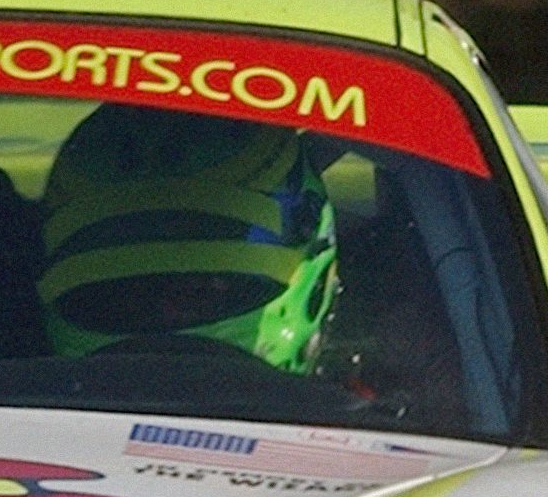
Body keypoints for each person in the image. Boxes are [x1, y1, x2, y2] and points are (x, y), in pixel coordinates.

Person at [37, 105, 340, 371]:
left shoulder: (2, 400)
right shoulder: (366, 418)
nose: (164, 313)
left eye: (199, 291)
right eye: (133, 296)